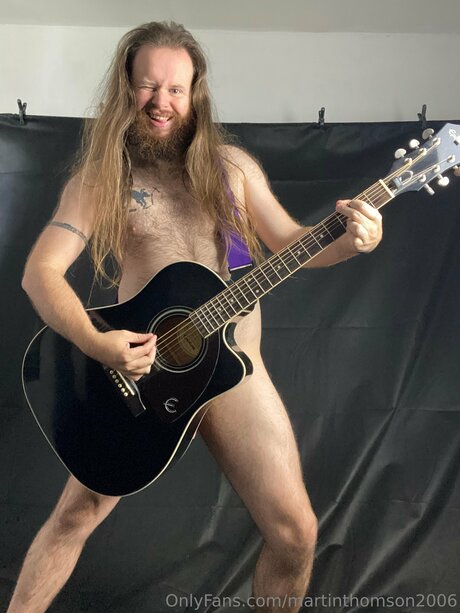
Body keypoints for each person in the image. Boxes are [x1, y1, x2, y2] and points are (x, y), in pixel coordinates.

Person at [8, 21, 382, 613]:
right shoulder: (103, 180)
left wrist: (355, 239)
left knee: (295, 534)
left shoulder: (232, 169)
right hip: (139, 373)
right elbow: (40, 273)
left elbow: (295, 244)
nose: (161, 102)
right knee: (75, 516)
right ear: (125, 88)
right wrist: (99, 345)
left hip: (235, 374)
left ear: (195, 94)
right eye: (148, 86)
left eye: (176, 89)